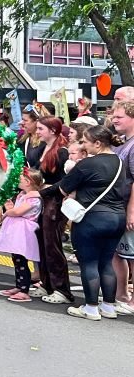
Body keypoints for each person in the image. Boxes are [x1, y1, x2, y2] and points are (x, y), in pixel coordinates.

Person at [57, 126, 131, 320]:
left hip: (92, 218)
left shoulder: (87, 164)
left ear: (97, 143)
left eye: (85, 142)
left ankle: (90, 308)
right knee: (106, 262)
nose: (84, 145)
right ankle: (108, 306)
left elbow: (64, 189)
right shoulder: (120, 161)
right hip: (117, 217)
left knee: (89, 263)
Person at [31, 117, 74, 304]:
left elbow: (65, 181)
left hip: (55, 202)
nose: (37, 131)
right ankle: (47, 283)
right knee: (41, 243)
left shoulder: (62, 152)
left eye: (41, 128)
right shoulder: (43, 148)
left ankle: (62, 289)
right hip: (44, 200)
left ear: (53, 131)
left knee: (52, 245)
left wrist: (44, 189)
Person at [0, 170, 44, 302]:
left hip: (24, 232)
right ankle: (19, 286)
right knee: (16, 260)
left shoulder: (33, 198)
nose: (17, 180)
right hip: (18, 231)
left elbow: (18, 211)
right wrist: (10, 208)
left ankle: (24, 290)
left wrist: (9, 211)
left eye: (20, 179)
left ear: (28, 182)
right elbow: (15, 210)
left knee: (21, 260)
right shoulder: (23, 194)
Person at [106, 101, 134, 314]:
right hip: (118, 206)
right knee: (118, 253)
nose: (114, 120)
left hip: (128, 208)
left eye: (119, 116)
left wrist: (131, 210)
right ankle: (121, 294)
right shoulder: (122, 142)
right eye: (114, 116)